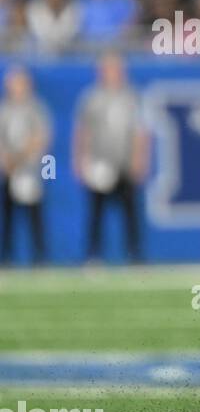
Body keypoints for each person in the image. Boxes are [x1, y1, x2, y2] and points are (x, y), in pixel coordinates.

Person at [75, 53, 148, 262]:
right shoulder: (91, 97)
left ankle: (135, 255)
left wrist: (139, 159)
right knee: (96, 212)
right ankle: (93, 255)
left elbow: (140, 132)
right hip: (99, 163)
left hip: (124, 163)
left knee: (130, 213)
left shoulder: (131, 96)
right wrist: (82, 160)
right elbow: (83, 131)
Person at [0, 66, 52, 264]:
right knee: (8, 217)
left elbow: (41, 137)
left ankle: (40, 257)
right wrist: (6, 160)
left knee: (35, 216)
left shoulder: (36, 107)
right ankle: (6, 257)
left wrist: (20, 158)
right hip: (9, 171)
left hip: (32, 170)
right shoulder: (4, 108)